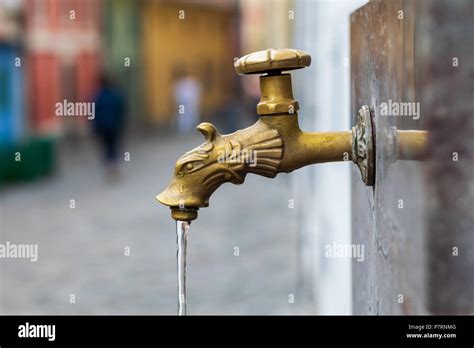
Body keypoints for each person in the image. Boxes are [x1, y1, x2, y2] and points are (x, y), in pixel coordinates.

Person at [92, 74, 126, 181]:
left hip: (102, 127)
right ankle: (114, 168)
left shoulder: (97, 97)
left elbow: (93, 113)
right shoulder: (115, 95)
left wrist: (94, 127)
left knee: (106, 146)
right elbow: (121, 110)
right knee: (114, 145)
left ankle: (109, 168)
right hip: (114, 125)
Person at [173, 66, 202, 134]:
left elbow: (196, 90)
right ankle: (184, 130)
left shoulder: (190, 81)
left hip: (188, 103)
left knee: (189, 114)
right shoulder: (180, 83)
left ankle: (189, 130)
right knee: (183, 115)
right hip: (183, 103)